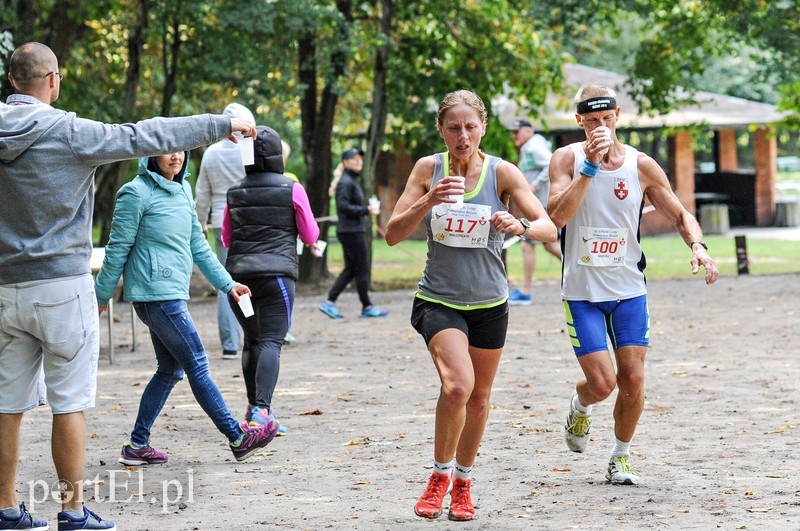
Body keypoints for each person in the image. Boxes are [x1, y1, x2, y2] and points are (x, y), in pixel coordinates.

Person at [0, 41, 255, 531]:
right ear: (53, 80)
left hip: (6, 288)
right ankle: (72, 512)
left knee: (7, 405)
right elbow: (147, 134)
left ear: (12, 81)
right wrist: (222, 123)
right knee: (68, 403)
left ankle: (7, 509)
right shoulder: (71, 132)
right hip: (61, 289)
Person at [385, 89, 557, 521]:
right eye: (453, 127)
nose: (463, 136)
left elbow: (548, 228)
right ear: (441, 130)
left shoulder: (502, 173)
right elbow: (391, 233)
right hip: (438, 300)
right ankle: (439, 476)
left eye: (470, 127)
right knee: (457, 386)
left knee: (479, 398)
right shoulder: (429, 169)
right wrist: (429, 199)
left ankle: (463, 482)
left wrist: (518, 223)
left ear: (483, 128)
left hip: (489, 303)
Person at [548, 83, 719, 486]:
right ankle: (580, 402)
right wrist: (589, 167)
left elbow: (679, 213)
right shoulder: (566, 159)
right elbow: (555, 216)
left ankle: (620, 456)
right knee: (603, 384)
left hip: (628, 289)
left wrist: (698, 246)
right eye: (591, 121)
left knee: (633, 379)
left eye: (606, 119)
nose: (600, 127)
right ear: (579, 121)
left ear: (618, 116)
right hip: (582, 292)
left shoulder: (641, 165)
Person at [94, 150, 278, 469]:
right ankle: (237, 437)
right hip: (155, 296)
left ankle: (137, 445)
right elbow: (117, 250)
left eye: (181, 150)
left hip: (172, 294)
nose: (175, 156)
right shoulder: (134, 193)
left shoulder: (182, 190)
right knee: (198, 364)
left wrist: (228, 284)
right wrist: (100, 297)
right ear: (151, 154)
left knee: (170, 369)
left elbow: (199, 244)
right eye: (167, 150)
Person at [221, 126, 320, 439]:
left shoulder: (234, 191)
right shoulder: (292, 188)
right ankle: (263, 412)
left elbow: (225, 236)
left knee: (251, 340)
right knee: (271, 342)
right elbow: (311, 235)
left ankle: (254, 411)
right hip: (276, 278)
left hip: (239, 280)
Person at [195, 103, 256, 360]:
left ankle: (230, 344)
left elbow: (202, 193)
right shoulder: (250, 149)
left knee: (225, 281)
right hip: (251, 220)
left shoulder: (211, 153)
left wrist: (199, 224)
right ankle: (254, 335)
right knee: (253, 279)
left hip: (222, 222)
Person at [319, 148, 388, 319]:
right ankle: (366, 306)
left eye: (359, 158)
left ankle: (330, 302)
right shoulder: (346, 182)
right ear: (345, 162)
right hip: (351, 231)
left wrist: (365, 210)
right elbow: (343, 207)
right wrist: (366, 209)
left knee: (351, 268)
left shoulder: (351, 180)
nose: (358, 161)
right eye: (353, 158)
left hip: (352, 230)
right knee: (361, 268)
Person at [507, 119, 562, 305]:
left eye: (518, 131)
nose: (514, 135)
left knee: (526, 245)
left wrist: (534, 186)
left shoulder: (533, 147)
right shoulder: (529, 147)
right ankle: (582, 274)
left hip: (539, 206)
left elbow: (551, 164)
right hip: (537, 205)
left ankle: (525, 292)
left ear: (528, 131)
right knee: (550, 246)